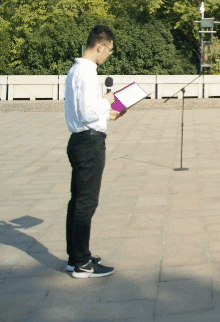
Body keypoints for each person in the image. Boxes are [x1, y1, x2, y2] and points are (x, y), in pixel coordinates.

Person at [65, 25, 121, 278]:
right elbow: (88, 113)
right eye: (109, 50)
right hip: (89, 144)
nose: (108, 54)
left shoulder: (75, 70)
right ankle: (82, 264)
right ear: (100, 46)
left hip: (79, 140)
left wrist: (107, 115)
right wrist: (107, 102)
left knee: (77, 201)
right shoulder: (87, 72)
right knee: (86, 203)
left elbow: (80, 111)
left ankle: (75, 257)